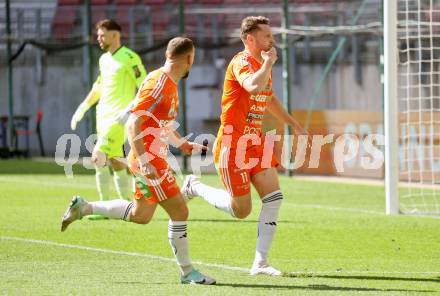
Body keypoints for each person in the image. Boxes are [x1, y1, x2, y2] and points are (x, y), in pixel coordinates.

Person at [61, 37, 216, 285]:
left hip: (152, 157)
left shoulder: (169, 84)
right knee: (180, 210)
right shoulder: (158, 83)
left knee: (141, 215)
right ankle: (187, 272)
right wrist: (144, 160)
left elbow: (161, 125)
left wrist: (183, 144)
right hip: (150, 160)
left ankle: (84, 207)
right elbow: (134, 122)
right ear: (190, 59)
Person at [181, 16, 308, 276]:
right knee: (242, 210)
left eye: (271, 36)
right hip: (232, 144)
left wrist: (293, 125)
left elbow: (267, 97)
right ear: (250, 39)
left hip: (255, 143)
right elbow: (252, 86)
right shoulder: (240, 62)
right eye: (266, 36)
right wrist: (269, 63)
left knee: (274, 198)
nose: (271, 40)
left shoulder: (263, 64)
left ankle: (260, 262)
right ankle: (195, 186)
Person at [70, 19, 147, 201]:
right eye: (98, 35)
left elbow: (144, 86)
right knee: (114, 160)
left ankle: (104, 206)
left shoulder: (129, 58)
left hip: (118, 118)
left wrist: (129, 110)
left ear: (115, 35)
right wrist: (83, 107)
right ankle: (126, 204)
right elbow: (99, 87)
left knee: (98, 157)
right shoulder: (104, 59)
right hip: (102, 118)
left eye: (102, 35)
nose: (99, 39)